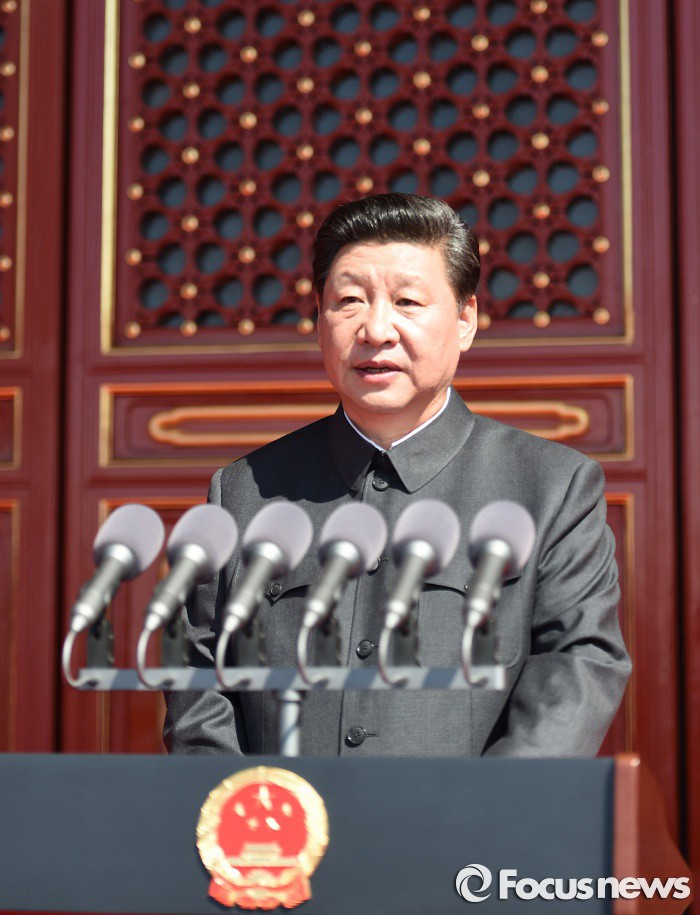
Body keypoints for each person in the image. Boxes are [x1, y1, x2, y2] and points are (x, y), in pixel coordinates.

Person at [164, 193, 631, 756]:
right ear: (319, 320)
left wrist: (491, 806)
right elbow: (198, 679)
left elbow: (576, 666)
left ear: (465, 320)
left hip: (474, 816)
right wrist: (250, 807)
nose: (376, 329)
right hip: (283, 813)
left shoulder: (551, 487)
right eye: (349, 301)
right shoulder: (244, 492)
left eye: (407, 301)